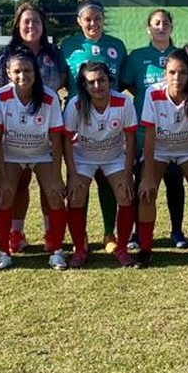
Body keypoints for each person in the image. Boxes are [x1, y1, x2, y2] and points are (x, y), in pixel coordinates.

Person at [0, 3, 67, 254]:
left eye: (36, 21)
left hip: (44, 129)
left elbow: (65, 81)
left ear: (43, 26)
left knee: (50, 186)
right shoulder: (6, 54)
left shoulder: (53, 53)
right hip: (13, 132)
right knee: (16, 184)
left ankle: (50, 234)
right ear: (17, 25)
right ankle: (16, 232)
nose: (31, 26)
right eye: (26, 21)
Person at [60, 0, 128, 254]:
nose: (93, 24)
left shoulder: (117, 46)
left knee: (106, 179)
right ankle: (82, 238)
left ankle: (109, 233)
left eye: (97, 19)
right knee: (79, 179)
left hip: (109, 121)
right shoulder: (69, 46)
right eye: (88, 19)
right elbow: (62, 79)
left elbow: (125, 81)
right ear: (79, 21)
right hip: (78, 122)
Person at [122, 9, 188, 249]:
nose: (160, 27)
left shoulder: (182, 56)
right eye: (156, 23)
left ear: (171, 27)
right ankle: (136, 232)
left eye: (165, 23)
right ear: (148, 28)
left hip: (177, 131)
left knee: (175, 180)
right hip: (146, 132)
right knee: (142, 180)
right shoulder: (137, 57)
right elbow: (128, 85)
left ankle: (177, 231)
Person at [137, 47, 188, 268]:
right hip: (160, 150)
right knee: (147, 193)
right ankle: (145, 250)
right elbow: (149, 137)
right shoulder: (153, 93)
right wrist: (148, 176)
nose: (176, 78)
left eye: (182, 73)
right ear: (164, 73)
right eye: (171, 72)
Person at [63, 61, 138, 268]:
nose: (97, 86)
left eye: (101, 80)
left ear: (110, 81)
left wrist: (127, 173)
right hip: (83, 157)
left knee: (125, 193)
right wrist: (72, 174)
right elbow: (67, 141)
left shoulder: (124, 102)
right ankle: (80, 249)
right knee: (76, 195)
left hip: (114, 157)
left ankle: (121, 248)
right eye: (91, 82)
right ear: (84, 86)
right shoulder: (76, 104)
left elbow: (131, 138)